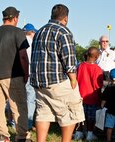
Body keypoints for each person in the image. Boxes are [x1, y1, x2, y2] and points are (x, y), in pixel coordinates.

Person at [30, 4, 85, 142]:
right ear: (65, 18)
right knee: (71, 112)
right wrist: (73, 79)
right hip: (58, 81)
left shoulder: (39, 32)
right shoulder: (63, 32)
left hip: (39, 82)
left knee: (43, 114)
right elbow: (69, 59)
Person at [0, 6, 31, 142]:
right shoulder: (18, 32)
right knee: (18, 106)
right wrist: (26, 73)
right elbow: (23, 56)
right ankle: (22, 136)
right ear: (15, 18)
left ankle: (3, 136)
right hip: (14, 75)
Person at [74, 47, 103, 141]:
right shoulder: (97, 69)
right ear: (97, 56)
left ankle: (78, 133)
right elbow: (97, 85)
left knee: (79, 116)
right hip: (92, 97)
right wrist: (100, 97)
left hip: (79, 95)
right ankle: (89, 134)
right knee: (90, 117)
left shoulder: (80, 65)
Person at [22, 23, 37, 130]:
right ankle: (27, 125)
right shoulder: (33, 43)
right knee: (30, 100)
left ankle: (15, 122)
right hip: (30, 73)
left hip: (19, 74)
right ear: (31, 32)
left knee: (18, 99)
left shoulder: (19, 42)